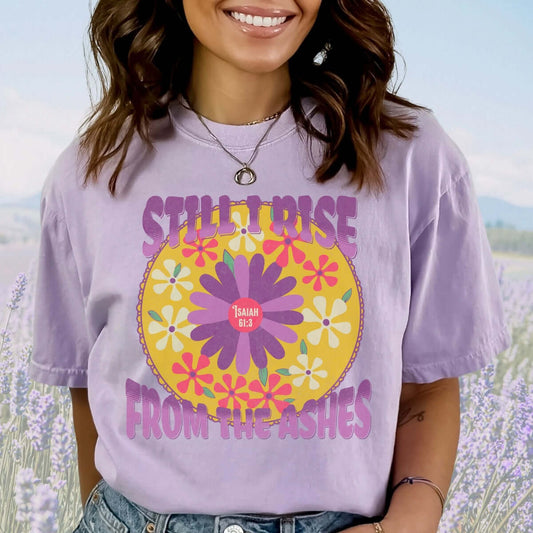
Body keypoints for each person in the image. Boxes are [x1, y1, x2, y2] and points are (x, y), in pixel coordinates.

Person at [30, 1, 511, 532]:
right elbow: (89, 394)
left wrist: (406, 524)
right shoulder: (90, 174)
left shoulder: (411, 157)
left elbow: (428, 385)